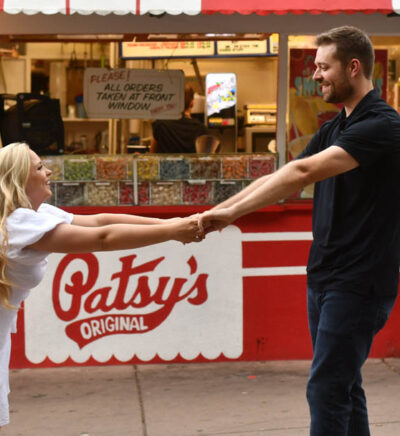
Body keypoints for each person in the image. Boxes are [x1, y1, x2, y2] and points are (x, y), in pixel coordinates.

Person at [200, 26, 400, 435]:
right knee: (344, 385)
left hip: (359, 282)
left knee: (326, 388)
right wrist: (218, 211)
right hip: (325, 275)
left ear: (355, 67)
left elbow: (303, 170)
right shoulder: (334, 128)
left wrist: (228, 215)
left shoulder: (383, 125)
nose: (316, 75)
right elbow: (288, 175)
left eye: (324, 67)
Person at [0, 142, 203, 429]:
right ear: (19, 179)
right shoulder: (19, 222)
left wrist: (172, 225)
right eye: (39, 167)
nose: (49, 171)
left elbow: (98, 221)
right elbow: (102, 239)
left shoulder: (33, 215)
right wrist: (172, 231)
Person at [150, 84, 207, 153]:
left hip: (166, 164)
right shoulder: (201, 128)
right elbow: (204, 159)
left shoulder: (160, 124)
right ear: (192, 103)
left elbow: (152, 155)